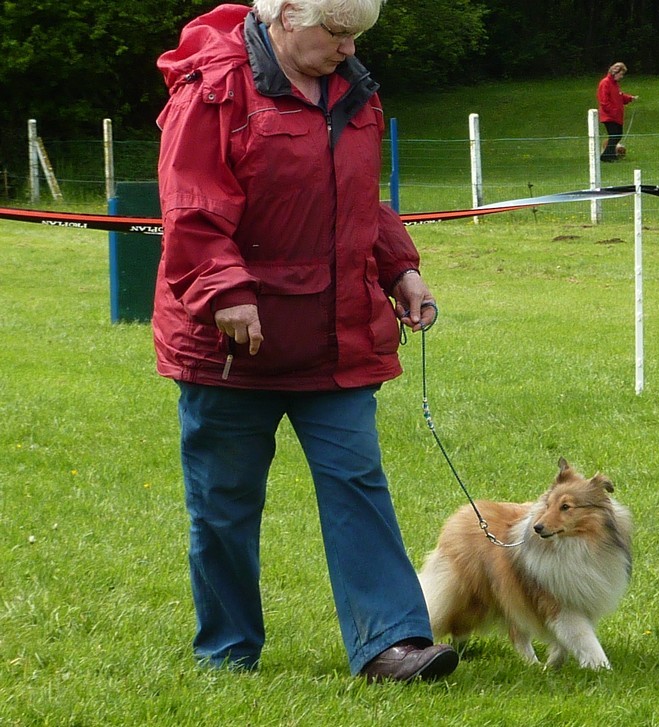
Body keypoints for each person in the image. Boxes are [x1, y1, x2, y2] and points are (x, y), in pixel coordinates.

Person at [154, 0, 459, 683]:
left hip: (334, 337)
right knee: (226, 501)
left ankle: (393, 644)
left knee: (357, 480)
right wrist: (227, 291)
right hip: (231, 346)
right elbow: (190, 206)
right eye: (337, 32)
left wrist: (400, 267)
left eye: (357, 35)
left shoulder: (354, 91)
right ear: (286, 15)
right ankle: (228, 649)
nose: (348, 49)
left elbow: (360, 198)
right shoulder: (214, 87)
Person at [597, 62, 637, 162]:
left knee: (617, 135)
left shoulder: (615, 84)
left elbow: (620, 96)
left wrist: (630, 98)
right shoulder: (605, 83)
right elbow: (604, 101)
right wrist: (613, 111)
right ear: (615, 72)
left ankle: (609, 154)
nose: (621, 77)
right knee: (615, 135)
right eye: (621, 74)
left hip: (616, 115)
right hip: (609, 115)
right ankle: (607, 156)